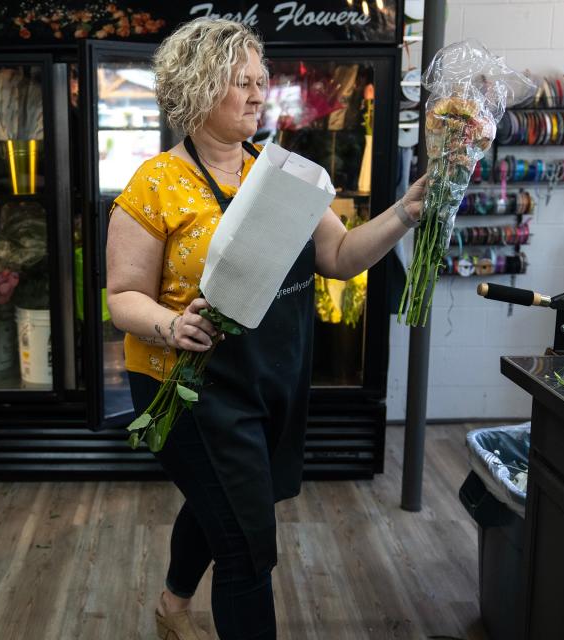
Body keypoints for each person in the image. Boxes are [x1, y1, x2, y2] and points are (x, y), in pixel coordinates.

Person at [105, 18, 427, 640]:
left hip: (268, 377)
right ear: (200, 90)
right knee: (249, 547)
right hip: (187, 386)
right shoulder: (155, 185)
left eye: (262, 80)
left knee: (223, 503)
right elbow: (122, 299)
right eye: (241, 82)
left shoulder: (285, 175)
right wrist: (171, 325)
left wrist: (405, 213)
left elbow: (339, 257)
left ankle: (172, 608)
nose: (259, 94)